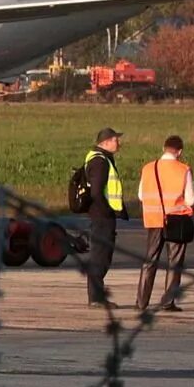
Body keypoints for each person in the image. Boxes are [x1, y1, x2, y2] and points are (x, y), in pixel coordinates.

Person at [136, 134, 194, 313]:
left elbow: (141, 195)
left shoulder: (148, 168)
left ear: (164, 148)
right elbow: (191, 199)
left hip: (153, 219)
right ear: (179, 151)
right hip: (175, 220)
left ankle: (141, 301)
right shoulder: (183, 169)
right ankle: (168, 301)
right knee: (175, 262)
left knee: (149, 260)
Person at [78, 127, 125, 306]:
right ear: (105, 142)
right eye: (115, 139)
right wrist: (106, 210)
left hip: (100, 215)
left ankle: (96, 295)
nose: (118, 143)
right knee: (100, 256)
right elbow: (96, 191)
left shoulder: (100, 158)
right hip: (102, 216)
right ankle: (96, 297)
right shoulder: (100, 162)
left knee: (102, 254)